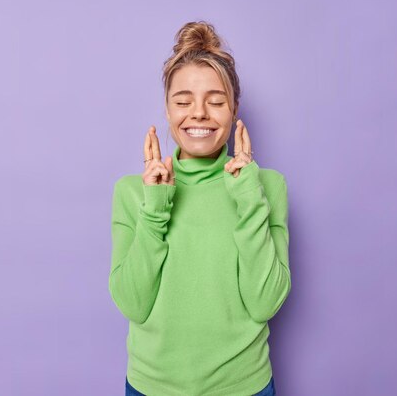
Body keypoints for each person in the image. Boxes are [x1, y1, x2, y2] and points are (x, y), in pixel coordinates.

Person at [109, 21, 290, 396]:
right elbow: (133, 304)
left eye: (216, 101)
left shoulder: (266, 187)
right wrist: (155, 208)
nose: (199, 113)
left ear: (234, 107)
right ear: (167, 108)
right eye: (183, 101)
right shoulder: (132, 192)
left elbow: (266, 302)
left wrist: (247, 198)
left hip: (245, 387)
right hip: (151, 388)